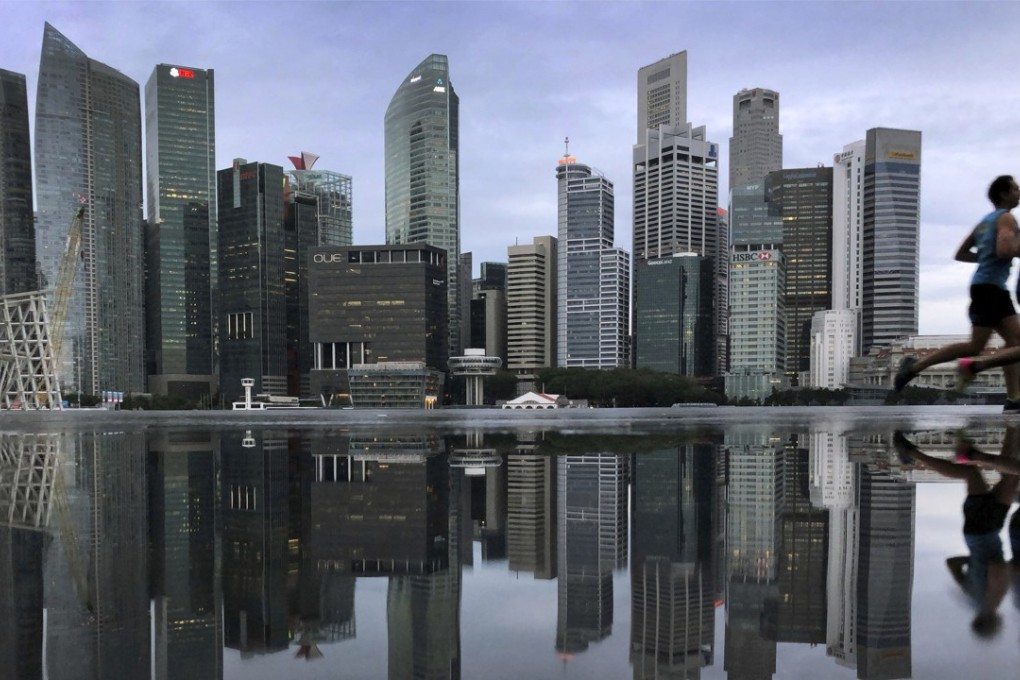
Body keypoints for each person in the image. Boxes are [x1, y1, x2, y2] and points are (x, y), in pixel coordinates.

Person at [893, 175, 1020, 412]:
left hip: (981, 286)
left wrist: (984, 258)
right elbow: (1005, 250)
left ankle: (914, 366)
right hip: (993, 288)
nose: (1019, 192)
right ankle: (984, 373)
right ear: (1003, 194)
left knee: (981, 344)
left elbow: (960, 254)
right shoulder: (1006, 218)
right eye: (1015, 189)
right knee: (1014, 343)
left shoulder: (985, 222)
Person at [893, 428, 1019, 637]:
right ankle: (1011, 431)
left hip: (985, 529)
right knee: (1009, 479)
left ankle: (913, 454)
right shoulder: (971, 599)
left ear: (993, 623)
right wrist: (975, 558)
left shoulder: (992, 600)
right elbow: (952, 563)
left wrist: (1009, 568)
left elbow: (997, 567)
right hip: (979, 532)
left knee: (973, 473)